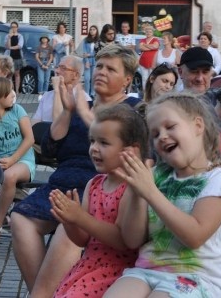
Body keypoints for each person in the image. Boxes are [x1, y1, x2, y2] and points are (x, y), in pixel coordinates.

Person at [11, 44, 141, 295]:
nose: (102, 72)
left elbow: (123, 147)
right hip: (63, 181)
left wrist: (84, 111)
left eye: (111, 69)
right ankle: (43, 291)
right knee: (20, 217)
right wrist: (69, 111)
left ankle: (44, 293)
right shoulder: (83, 104)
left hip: (101, 189)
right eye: (100, 66)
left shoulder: (133, 109)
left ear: (127, 78)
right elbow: (49, 148)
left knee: (66, 230)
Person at [105, 92, 221, 298]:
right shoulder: (156, 176)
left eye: (170, 126)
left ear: (198, 126)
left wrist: (150, 192)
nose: (162, 136)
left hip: (198, 278)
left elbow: (194, 236)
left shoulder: (219, 179)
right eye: (155, 134)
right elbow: (132, 240)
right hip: (146, 271)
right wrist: (136, 192)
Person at [50, 105, 149, 297]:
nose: (94, 148)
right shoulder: (94, 184)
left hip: (116, 273)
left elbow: (123, 241)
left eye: (104, 143)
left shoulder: (132, 188)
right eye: (92, 141)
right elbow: (83, 239)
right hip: (88, 266)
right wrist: (69, 221)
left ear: (132, 151)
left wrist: (80, 218)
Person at [0, 77, 35, 253]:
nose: (13, 94)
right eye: (8, 91)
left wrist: (12, 160)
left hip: (23, 160)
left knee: (9, 176)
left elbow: (29, 138)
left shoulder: (17, 110)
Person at [32, 56, 90, 124]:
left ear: (76, 75)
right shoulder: (47, 96)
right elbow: (35, 124)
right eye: (57, 67)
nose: (57, 71)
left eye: (63, 68)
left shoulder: (84, 100)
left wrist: (57, 91)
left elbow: (58, 125)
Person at [76, 25, 99, 96]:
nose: (92, 31)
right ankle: (86, 94)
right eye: (91, 29)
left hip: (95, 61)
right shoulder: (86, 40)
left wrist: (90, 55)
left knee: (93, 78)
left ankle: (92, 93)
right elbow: (84, 52)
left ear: (97, 31)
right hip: (87, 61)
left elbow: (98, 52)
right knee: (86, 79)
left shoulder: (99, 40)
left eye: (94, 29)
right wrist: (86, 61)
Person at [136, 24, 160, 90]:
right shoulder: (142, 40)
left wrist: (145, 45)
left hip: (153, 63)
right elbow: (141, 47)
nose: (148, 33)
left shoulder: (155, 39)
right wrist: (151, 47)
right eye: (147, 31)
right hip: (143, 63)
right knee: (144, 79)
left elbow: (156, 46)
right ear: (145, 32)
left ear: (152, 32)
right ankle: (145, 95)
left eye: (150, 31)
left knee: (152, 79)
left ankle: (152, 94)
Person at [5, 21, 25, 93]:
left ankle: (17, 90)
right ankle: (10, 89)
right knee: (10, 74)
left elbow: (19, 46)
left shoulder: (20, 36)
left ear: (17, 28)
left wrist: (11, 47)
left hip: (17, 56)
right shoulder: (7, 36)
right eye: (12, 27)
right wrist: (9, 38)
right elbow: (7, 46)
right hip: (9, 57)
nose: (13, 28)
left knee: (17, 73)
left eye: (14, 27)